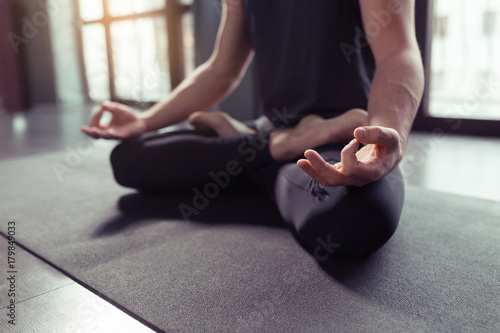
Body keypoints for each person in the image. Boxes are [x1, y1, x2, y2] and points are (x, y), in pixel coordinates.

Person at [81, 0, 424, 259]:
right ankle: (278, 148)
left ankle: (260, 155)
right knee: (128, 159)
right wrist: (145, 121)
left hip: (347, 141)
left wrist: (383, 138)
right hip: (275, 130)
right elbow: (220, 70)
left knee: (356, 220)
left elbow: (398, 52)